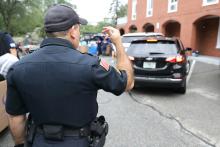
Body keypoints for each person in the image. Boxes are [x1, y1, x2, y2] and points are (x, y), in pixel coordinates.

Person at [6, 4, 134, 147]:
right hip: (78, 142)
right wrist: (118, 43)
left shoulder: (18, 68)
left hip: (38, 141)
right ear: (73, 31)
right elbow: (127, 83)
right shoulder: (91, 65)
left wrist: (20, 144)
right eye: (79, 28)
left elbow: (16, 118)